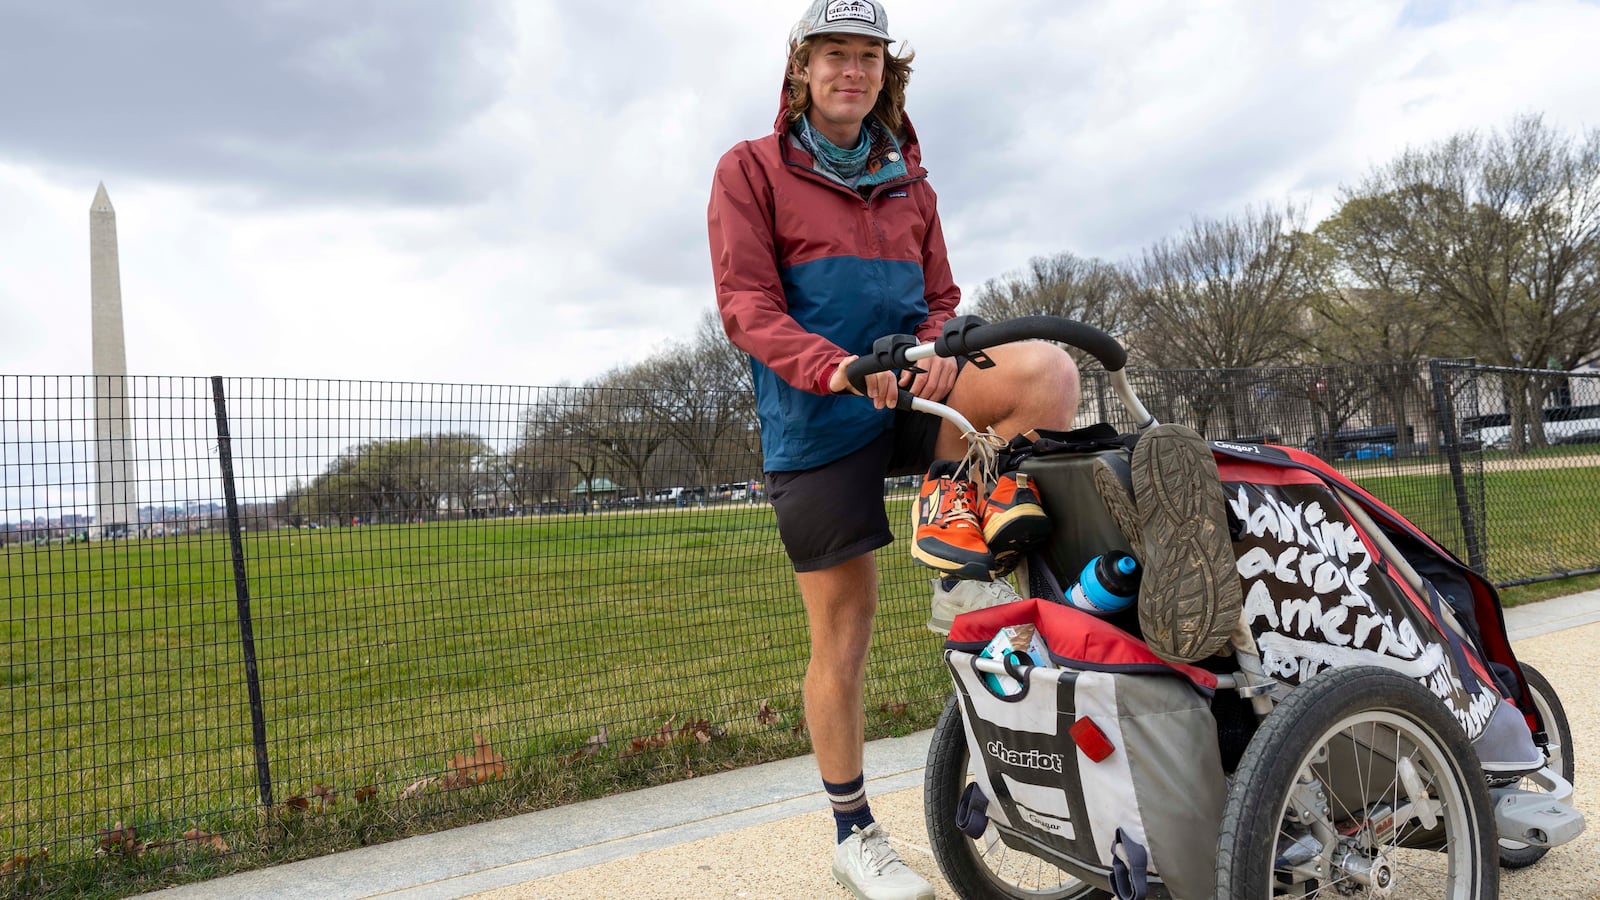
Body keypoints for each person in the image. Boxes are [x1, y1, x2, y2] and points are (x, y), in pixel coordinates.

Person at [706, 2, 1079, 896]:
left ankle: (963, 555)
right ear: (801, 69)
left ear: (886, 72)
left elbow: (942, 295)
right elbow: (746, 307)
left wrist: (936, 343)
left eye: (867, 57)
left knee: (1045, 373)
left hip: (911, 387)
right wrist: (832, 367)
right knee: (844, 633)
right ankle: (853, 833)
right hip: (818, 411)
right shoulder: (748, 170)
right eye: (834, 54)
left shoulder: (912, 178)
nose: (852, 71)